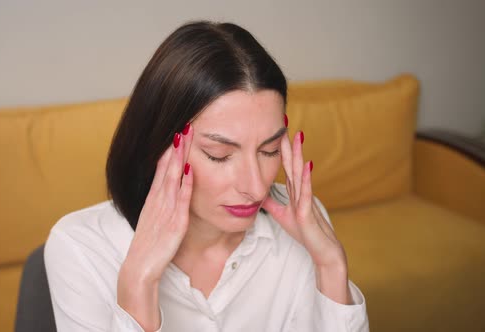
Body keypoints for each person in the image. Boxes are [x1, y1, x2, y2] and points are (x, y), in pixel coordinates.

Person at [44, 21, 369, 332]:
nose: (255, 187)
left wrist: (330, 265)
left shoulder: (304, 226)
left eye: (269, 150)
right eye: (219, 155)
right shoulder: (81, 248)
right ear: (160, 144)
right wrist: (138, 286)